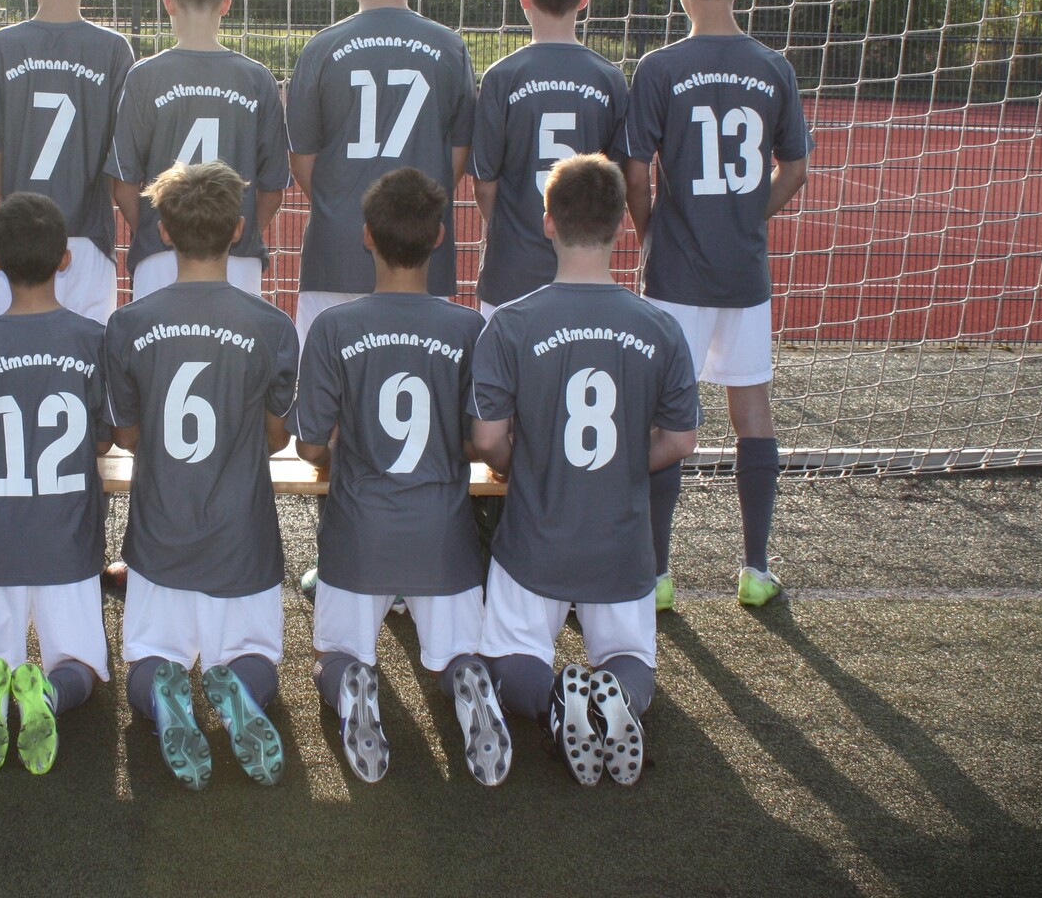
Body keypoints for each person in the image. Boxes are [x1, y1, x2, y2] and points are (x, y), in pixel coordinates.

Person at [470, 153, 698, 787]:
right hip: (622, 543)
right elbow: (680, 438)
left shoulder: (511, 324)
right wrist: (626, 466)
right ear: (622, 224)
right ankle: (610, 697)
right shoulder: (660, 328)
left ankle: (550, 702)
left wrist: (528, 466)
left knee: (510, 662)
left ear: (548, 224)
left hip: (534, 537)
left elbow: (487, 438)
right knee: (629, 659)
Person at [293, 167, 509, 785]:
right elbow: (479, 439)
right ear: (440, 237)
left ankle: (354, 683)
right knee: (457, 653)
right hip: (444, 540)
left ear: (367, 237)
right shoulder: (470, 328)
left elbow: (310, 444)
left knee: (334, 656)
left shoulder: (334, 327)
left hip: (358, 534)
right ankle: (467, 677)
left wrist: (346, 459)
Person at [620, 0, 812, 609]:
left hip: (674, 269)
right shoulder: (773, 66)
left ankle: (657, 574)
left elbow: (635, 169)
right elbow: (795, 170)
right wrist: (747, 215)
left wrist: (652, 231)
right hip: (743, 270)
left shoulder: (660, 67)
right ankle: (755, 569)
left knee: (660, 419)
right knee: (751, 411)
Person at [104, 161, 298, 789]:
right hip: (242, 540)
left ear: (163, 231)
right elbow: (277, 437)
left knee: (148, 657)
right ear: (240, 230)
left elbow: (127, 437)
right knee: (257, 656)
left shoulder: (129, 325)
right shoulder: (272, 326)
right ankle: (237, 690)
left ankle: (166, 699)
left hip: (160, 538)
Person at [0, 192, 111, 775]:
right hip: (68, 543)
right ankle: (49, 694)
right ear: (66, 259)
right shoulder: (94, 340)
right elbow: (101, 441)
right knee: (81, 665)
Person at [285, 0, 477, 344]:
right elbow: (455, 159)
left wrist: (340, 199)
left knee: (324, 394)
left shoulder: (321, 48)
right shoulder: (450, 47)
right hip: (421, 252)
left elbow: (302, 159)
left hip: (337, 250)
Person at [0, 0, 137, 324]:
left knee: (12, 362)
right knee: (87, 367)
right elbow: (122, 154)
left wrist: (18, 194)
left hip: (19, 236)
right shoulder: (114, 50)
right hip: (87, 234)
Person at [107, 0, 288, 299]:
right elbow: (273, 187)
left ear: (167, 2)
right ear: (226, 2)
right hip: (236, 256)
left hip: (162, 252)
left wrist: (163, 229)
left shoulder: (144, 76)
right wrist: (232, 232)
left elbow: (124, 182)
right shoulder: (257, 79)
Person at [470, 0, 629, 317]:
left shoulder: (501, 77)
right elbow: (618, 178)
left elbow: (484, 181)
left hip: (512, 270)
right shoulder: (610, 78)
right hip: (584, 270)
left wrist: (509, 228)